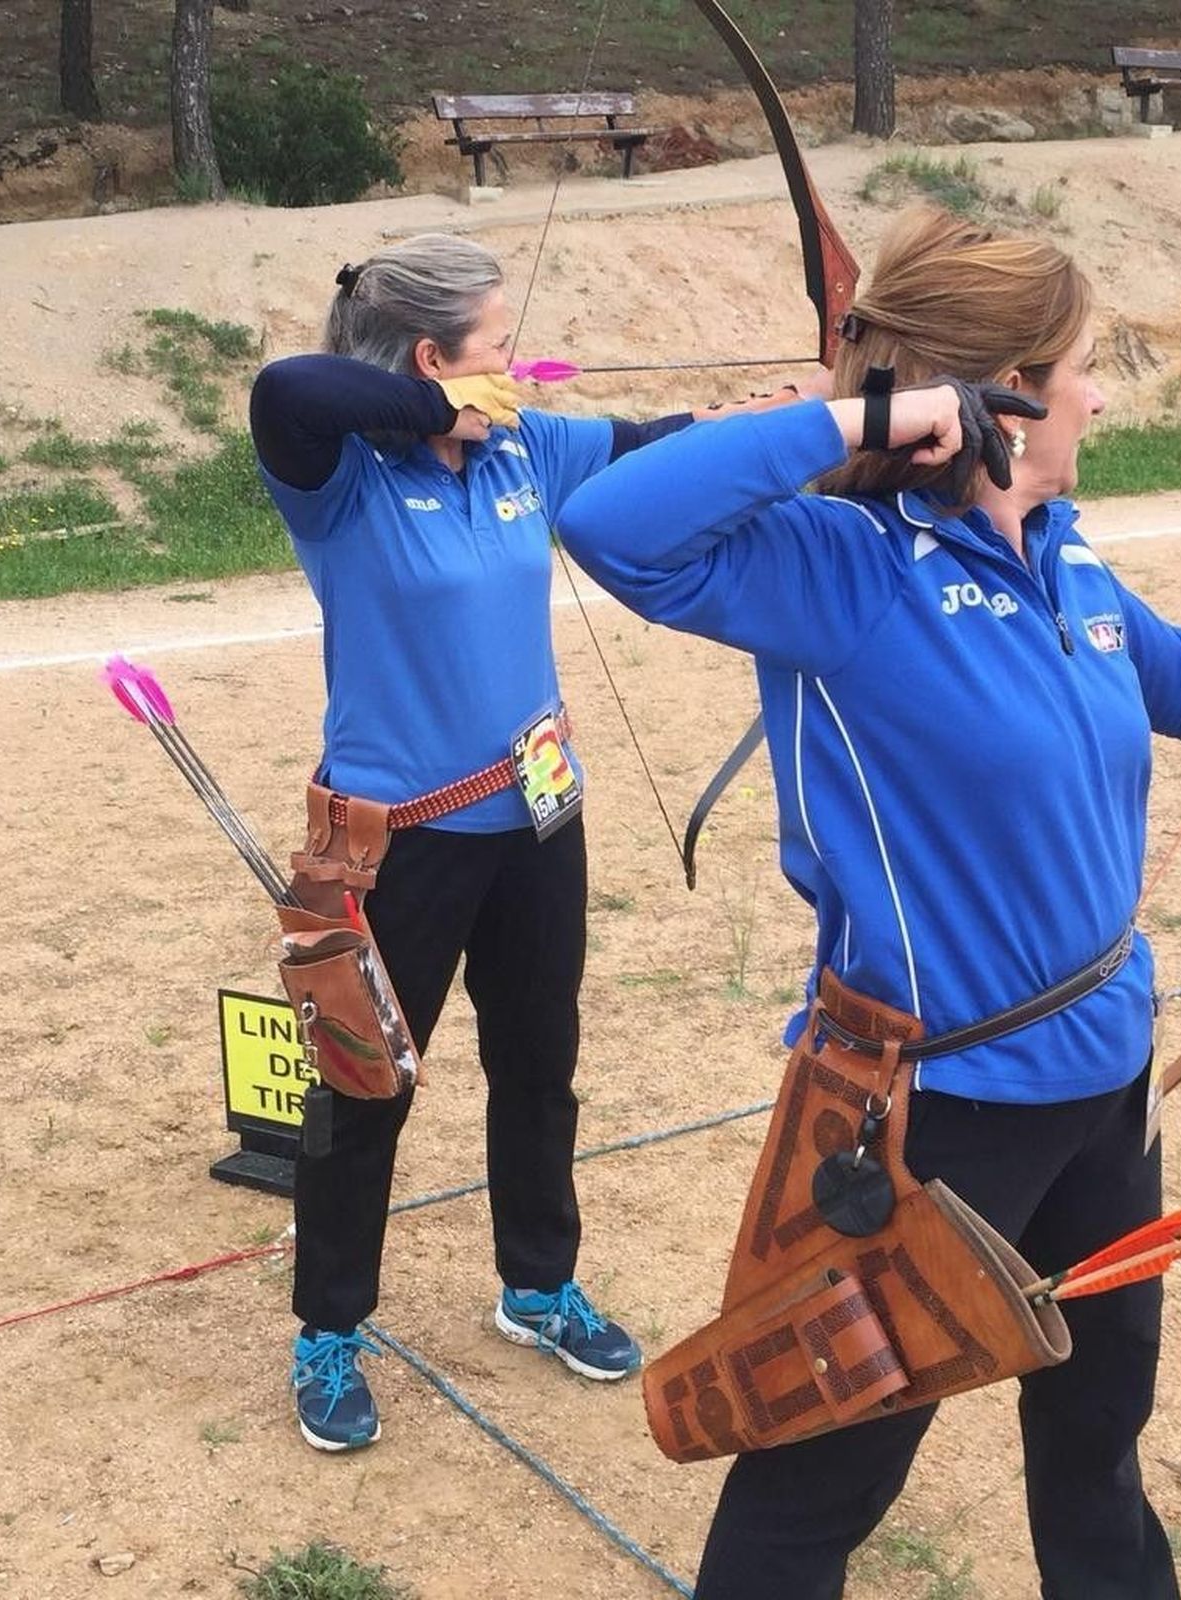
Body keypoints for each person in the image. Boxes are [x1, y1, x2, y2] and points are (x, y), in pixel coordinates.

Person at [556, 206, 1181, 1598]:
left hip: (1108, 1087)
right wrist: (872, 411)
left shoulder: (1070, 560)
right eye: (1084, 366)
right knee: (819, 1479)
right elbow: (612, 523)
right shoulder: (845, 572)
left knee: (1099, 1436)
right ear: (1006, 395)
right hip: (929, 1114)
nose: (1100, 394)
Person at [250, 232, 723, 1452]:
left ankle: (536, 1284)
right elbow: (284, 387)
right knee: (364, 1090)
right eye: (495, 347)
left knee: (538, 1061)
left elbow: (652, 446)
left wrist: (786, 418)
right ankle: (329, 1329)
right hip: (397, 838)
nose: (518, 367)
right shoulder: (339, 473)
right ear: (429, 362)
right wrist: (430, 409)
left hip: (536, 821)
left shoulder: (524, 446)